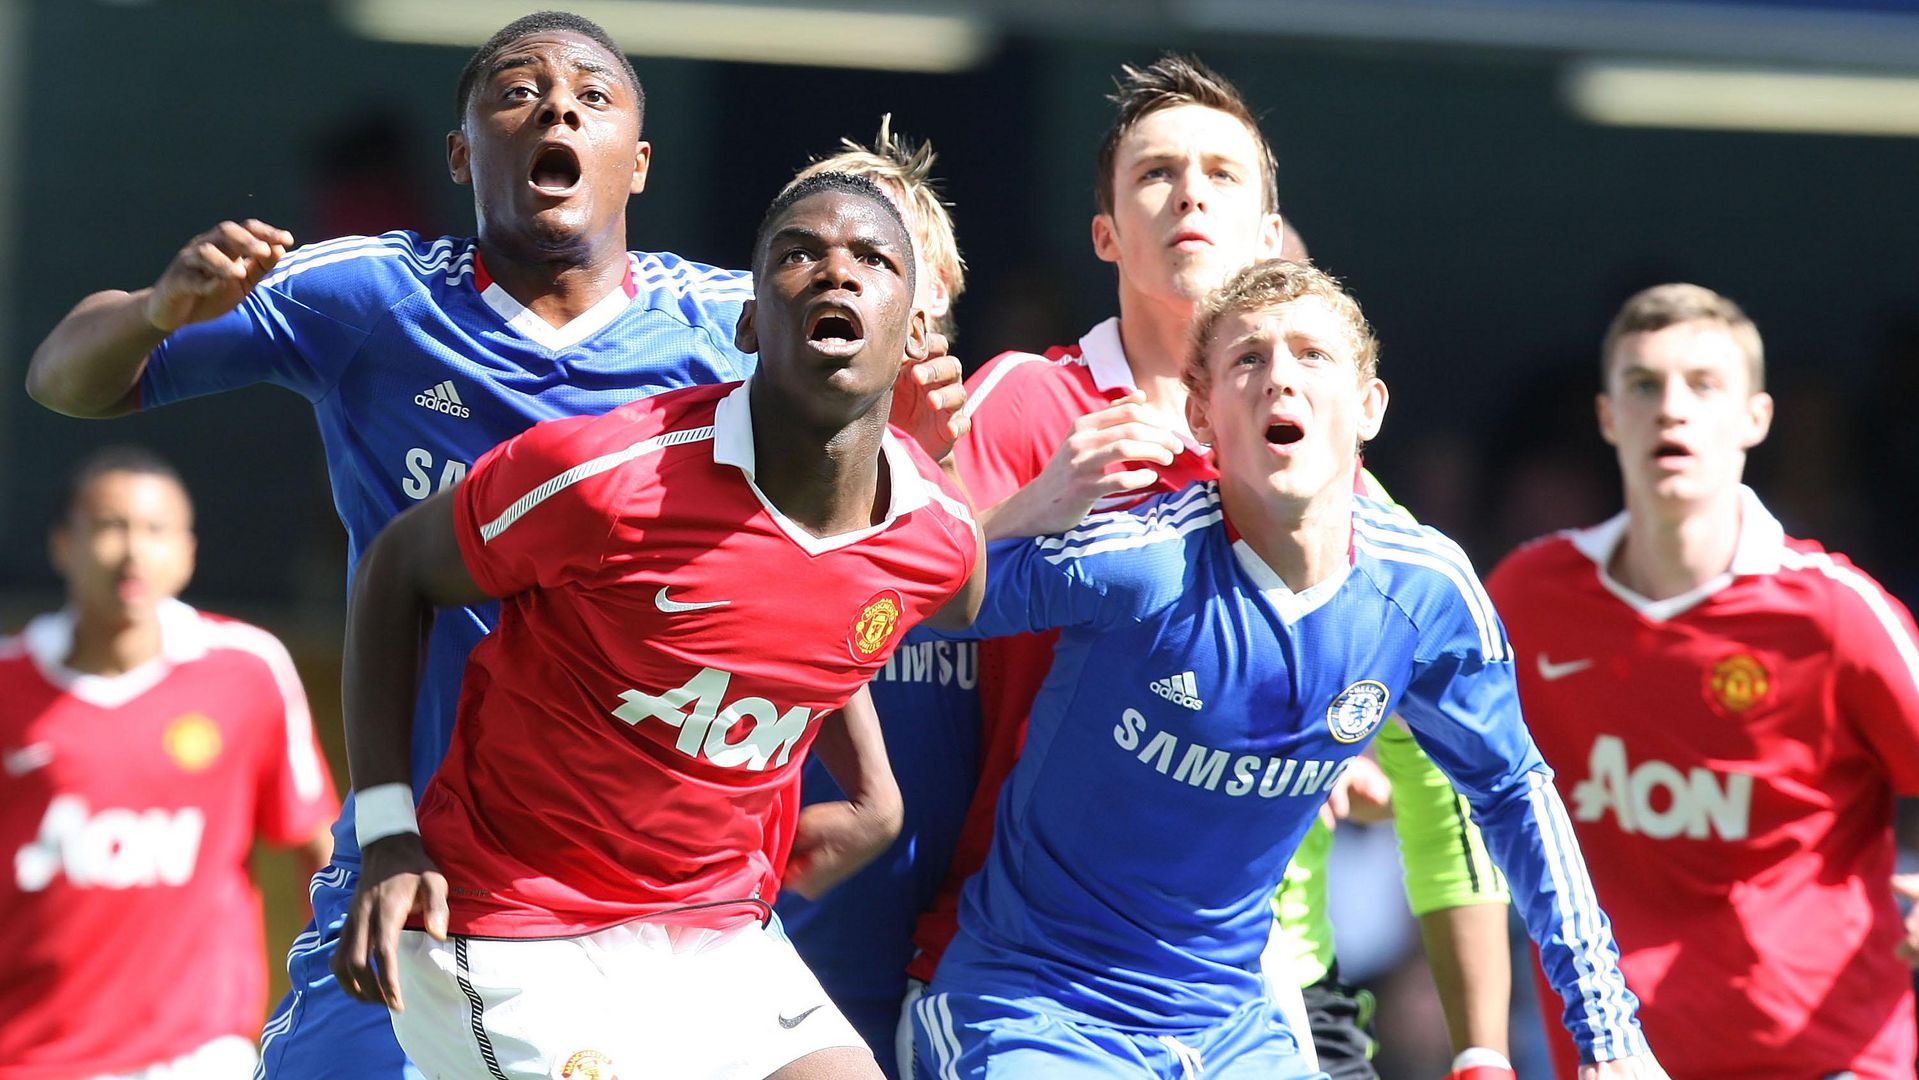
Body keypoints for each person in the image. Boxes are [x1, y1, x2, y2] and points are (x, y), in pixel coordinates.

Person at [23, 12, 960, 1076]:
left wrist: (873, 791)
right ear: (463, 152)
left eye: (594, 96)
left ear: (639, 164)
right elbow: (64, 381)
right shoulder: (369, 297)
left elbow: (794, 580)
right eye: (517, 91)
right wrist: (157, 310)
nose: (558, 106)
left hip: (658, 890)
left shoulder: (734, 326)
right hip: (423, 867)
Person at [903, 54, 1514, 1079]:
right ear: (1103, 233)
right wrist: (1024, 511)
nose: (1188, 192)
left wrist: (1483, 1048)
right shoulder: (1020, 403)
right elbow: (876, 616)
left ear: (1268, 234)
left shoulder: (1340, 491)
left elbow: (1446, 781)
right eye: (1154, 173)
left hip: (1254, 992)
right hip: (1023, 977)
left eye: (1221, 174)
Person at [912, 258, 1665, 1080]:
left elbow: (1513, 794)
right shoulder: (1135, 558)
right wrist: (993, 490)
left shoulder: (1425, 590)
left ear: (1368, 407)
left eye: (1312, 356)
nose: (1280, 381)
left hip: (1235, 1026)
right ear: (1201, 414)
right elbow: (918, 600)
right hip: (1035, 1007)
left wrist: (1606, 1029)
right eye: (1248, 359)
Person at [329, 171, 981, 1080]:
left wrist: (875, 794)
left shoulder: (939, 539)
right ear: (749, 324)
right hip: (515, 924)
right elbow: (397, 567)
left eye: (870, 258)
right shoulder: (604, 476)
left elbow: (835, 616)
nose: (834, 273)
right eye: (798, 254)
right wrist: (387, 830)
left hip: (716, 932)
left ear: (916, 332)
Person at [1485, 283, 1919, 1080]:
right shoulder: (1527, 595)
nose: (1670, 409)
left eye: (1702, 385)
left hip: (1829, 1057)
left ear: (1755, 419)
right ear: (1607, 416)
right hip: (1614, 1060)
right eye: (1643, 385)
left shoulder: (1832, 613)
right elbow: (1428, 755)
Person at [0, 446, 338, 1080]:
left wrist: (330, 1015)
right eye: (108, 527)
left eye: (156, 530)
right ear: (61, 546)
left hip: (196, 1056)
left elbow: (319, 848)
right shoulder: (7, 684)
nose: (133, 552)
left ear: (187, 553)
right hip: (25, 1056)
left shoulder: (247, 670)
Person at [770, 118, 982, 1080]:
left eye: (892, 272)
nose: (853, 289)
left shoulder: (993, 464)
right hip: (750, 956)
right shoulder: (725, 469)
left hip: (935, 978)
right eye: (822, 263)